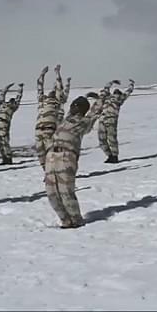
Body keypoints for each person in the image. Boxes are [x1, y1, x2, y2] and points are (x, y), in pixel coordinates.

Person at [45, 92, 104, 228]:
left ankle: (76, 220)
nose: (73, 107)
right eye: (73, 104)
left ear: (82, 109)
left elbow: (95, 112)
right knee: (51, 192)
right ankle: (65, 220)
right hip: (52, 157)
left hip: (66, 157)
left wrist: (99, 98)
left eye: (77, 105)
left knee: (65, 191)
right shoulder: (65, 120)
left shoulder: (84, 122)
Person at [97, 79, 135, 163]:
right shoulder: (107, 97)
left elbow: (128, 91)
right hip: (102, 119)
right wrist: (112, 82)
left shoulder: (120, 98)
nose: (116, 90)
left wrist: (131, 84)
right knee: (101, 139)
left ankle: (114, 156)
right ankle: (109, 155)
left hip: (111, 119)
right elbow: (106, 88)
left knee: (111, 139)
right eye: (115, 90)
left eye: (118, 91)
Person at [35, 65, 64, 170]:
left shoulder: (57, 101)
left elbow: (60, 86)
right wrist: (42, 74)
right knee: (40, 153)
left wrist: (57, 73)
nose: (51, 92)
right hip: (38, 130)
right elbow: (39, 86)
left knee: (50, 152)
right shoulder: (42, 100)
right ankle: (46, 172)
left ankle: (52, 172)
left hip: (49, 129)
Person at [0, 82, 24, 165]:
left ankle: (8, 159)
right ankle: (4, 158)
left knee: (5, 142)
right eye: (10, 100)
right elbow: (2, 95)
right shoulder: (2, 104)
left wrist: (20, 88)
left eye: (12, 101)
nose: (11, 102)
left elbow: (19, 97)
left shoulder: (13, 108)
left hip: (4, 126)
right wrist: (6, 87)